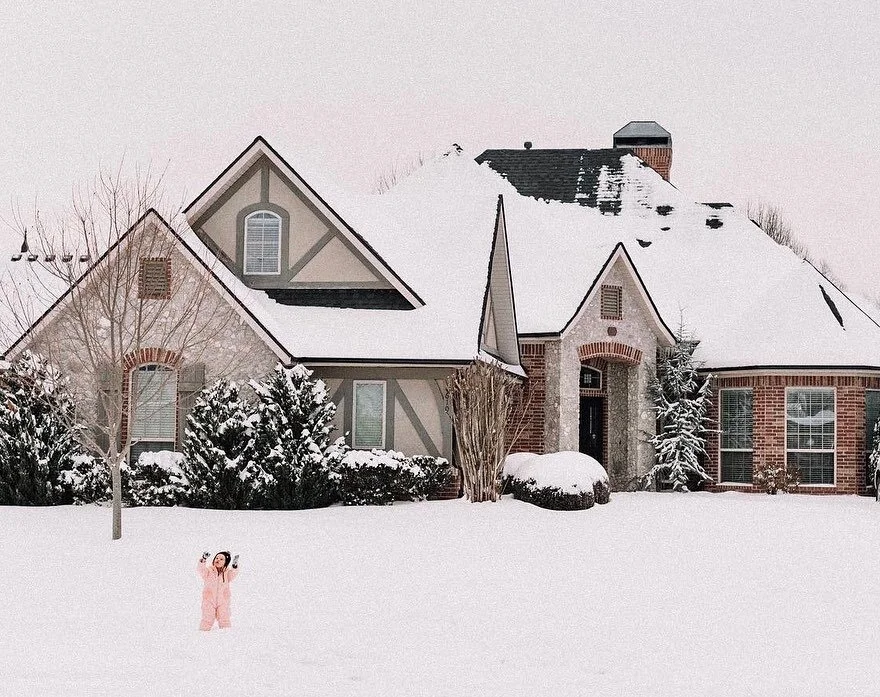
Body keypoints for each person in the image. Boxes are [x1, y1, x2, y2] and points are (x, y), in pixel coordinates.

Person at [198, 551, 240, 631]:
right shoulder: (209, 571)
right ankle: (203, 633)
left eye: (221, 559)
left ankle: (226, 633)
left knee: (224, 618)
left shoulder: (227, 574)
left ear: (225, 563)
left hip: (223, 600)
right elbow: (201, 570)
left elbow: (234, 573)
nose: (218, 560)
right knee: (207, 617)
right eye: (216, 558)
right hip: (209, 599)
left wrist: (234, 566)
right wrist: (203, 559)